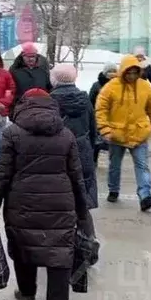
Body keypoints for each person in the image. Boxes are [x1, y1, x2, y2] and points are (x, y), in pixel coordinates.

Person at [0, 88, 90, 300]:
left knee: (24, 247)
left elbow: (1, 174)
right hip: (60, 204)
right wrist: (82, 208)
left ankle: (27, 292)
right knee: (60, 256)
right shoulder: (66, 135)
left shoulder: (12, 134)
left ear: (24, 107)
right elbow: (77, 176)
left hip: (22, 202)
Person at [95, 54, 151, 210]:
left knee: (142, 166)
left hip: (139, 134)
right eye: (129, 72)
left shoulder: (145, 86)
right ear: (123, 71)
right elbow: (101, 109)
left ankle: (145, 196)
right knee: (115, 165)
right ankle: (113, 189)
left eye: (135, 72)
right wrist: (105, 129)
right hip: (117, 134)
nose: (132, 76)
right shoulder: (111, 87)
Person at [50, 63, 99, 209]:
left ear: (55, 79)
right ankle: (84, 228)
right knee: (82, 188)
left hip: (57, 149)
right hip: (82, 147)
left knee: (60, 189)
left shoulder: (50, 100)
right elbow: (92, 127)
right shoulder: (85, 100)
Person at [8, 42, 52, 115]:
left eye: (33, 56)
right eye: (28, 56)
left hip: (41, 108)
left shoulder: (42, 70)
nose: (31, 59)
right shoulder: (14, 70)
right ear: (22, 56)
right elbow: (10, 90)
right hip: (21, 108)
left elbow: (49, 88)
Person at [88, 63, 118, 165]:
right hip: (98, 116)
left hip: (114, 117)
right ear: (105, 73)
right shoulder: (97, 85)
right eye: (110, 72)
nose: (112, 74)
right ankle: (93, 161)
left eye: (114, 72)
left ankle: (113, 162)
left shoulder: (119, 85)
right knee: (96, 141)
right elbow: (90, 100)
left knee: (113, 142)